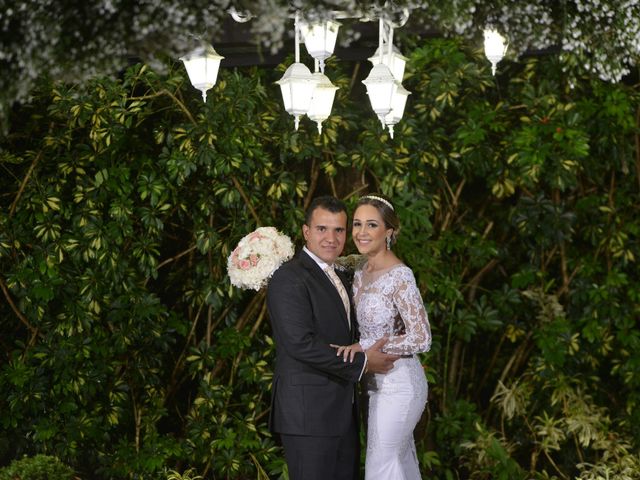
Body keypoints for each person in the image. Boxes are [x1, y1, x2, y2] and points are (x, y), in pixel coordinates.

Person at [266, 195, 399, 480]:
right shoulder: (289, 277)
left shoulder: (341, 273)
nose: (331, 238)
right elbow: (300, 343)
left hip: (342, 413)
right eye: (322, 229)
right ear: (306, 232)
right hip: (308, 415)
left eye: (339, 230)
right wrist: (363, 363)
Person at [334, 193, 432, 480]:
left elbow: (422, 337)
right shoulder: (360, 267)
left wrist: (367, 347)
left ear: (389, 231)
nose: (361, 233)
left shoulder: (400, 276)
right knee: (395, 464)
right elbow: (321, 263)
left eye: (372, 225)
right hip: (373, 382)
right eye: (357, 224)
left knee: (381, 467)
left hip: (400, 383)